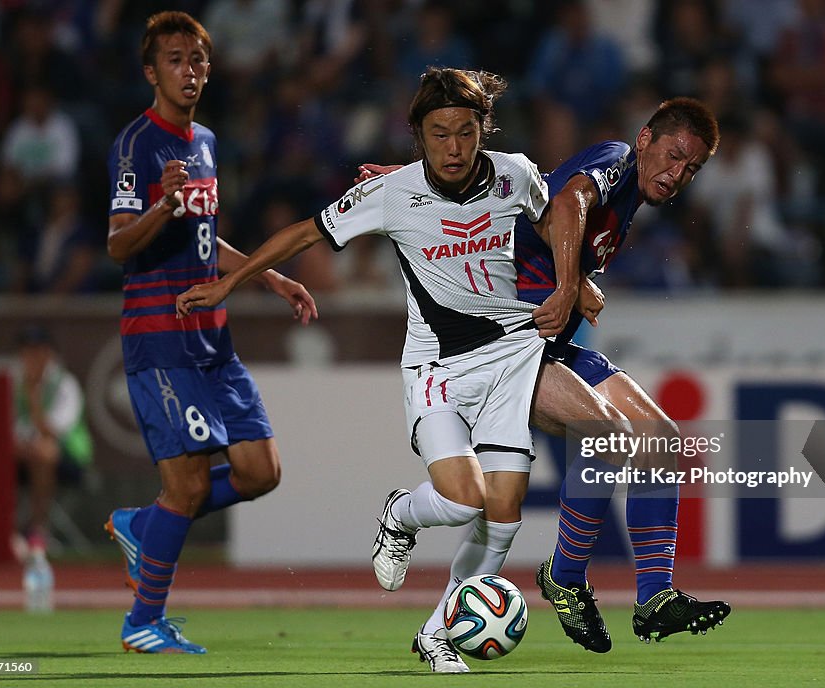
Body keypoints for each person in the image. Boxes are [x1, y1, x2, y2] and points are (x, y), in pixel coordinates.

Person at [177, 66, 630, 673]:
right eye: (439, 133)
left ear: (482, 131)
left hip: (512, 351)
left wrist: (577, 281)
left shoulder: (516, 173)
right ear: (417, 135)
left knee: (504, 518)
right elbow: (304, 235)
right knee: (464, 500)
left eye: (466, 132)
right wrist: (231, 280)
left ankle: (439, 634)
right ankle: (400, 513)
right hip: (438, 364)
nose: (454, 146)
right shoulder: (391, 194)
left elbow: (552, 223)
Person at [358, 97, 731, 657]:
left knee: (661, 441)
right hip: (506, 344)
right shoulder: (615, 159)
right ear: (646, 137)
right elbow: (569, 198)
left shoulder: (626, 192)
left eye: (692, 168)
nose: (677, 175)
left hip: (548, 345)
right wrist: (568, 282)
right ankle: (565, 577)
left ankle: (654, 596)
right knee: (600, 437)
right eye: (674, 155)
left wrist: (576, 275)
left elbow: (513, 194)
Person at [103, 11, 316, 655]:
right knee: (190, 484)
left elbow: (201, 239)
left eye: (198, 60)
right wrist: (160, 205)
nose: (190, 71)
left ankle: (144, 522)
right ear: (151, 71)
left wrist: (267, 276)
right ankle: (143, 622)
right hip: (161, 339)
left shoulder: (206, 143)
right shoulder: (136, 144)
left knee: (260, 470)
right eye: (175, 60)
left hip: (213, 342)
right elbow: (117, 244)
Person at [12, 325, 92, 557]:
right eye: (27, 352)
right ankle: (4, 531)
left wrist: (33, 398)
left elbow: (52, 433)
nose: (32, 358)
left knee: (44, 452)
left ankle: (38, 530)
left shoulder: (65, 385)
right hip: (21, 454)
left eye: (38, 352)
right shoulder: (11, 381)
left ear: (49, 354)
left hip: (67, 458)